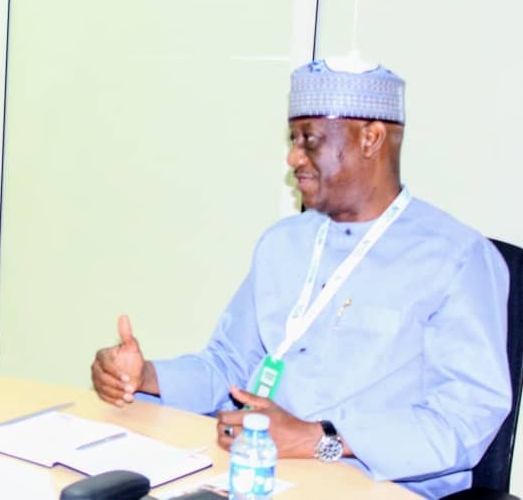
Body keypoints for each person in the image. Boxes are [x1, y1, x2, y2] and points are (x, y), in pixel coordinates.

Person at [90, 58, 511, 499]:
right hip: (255, 473)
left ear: (371, 138)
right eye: (293, 139)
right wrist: (146, 377)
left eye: (309, 139)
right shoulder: (283, 243)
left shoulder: (457, 258)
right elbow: (229, 366)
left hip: (378, 488)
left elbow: (463, 420)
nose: (293, 157)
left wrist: (317, 439)